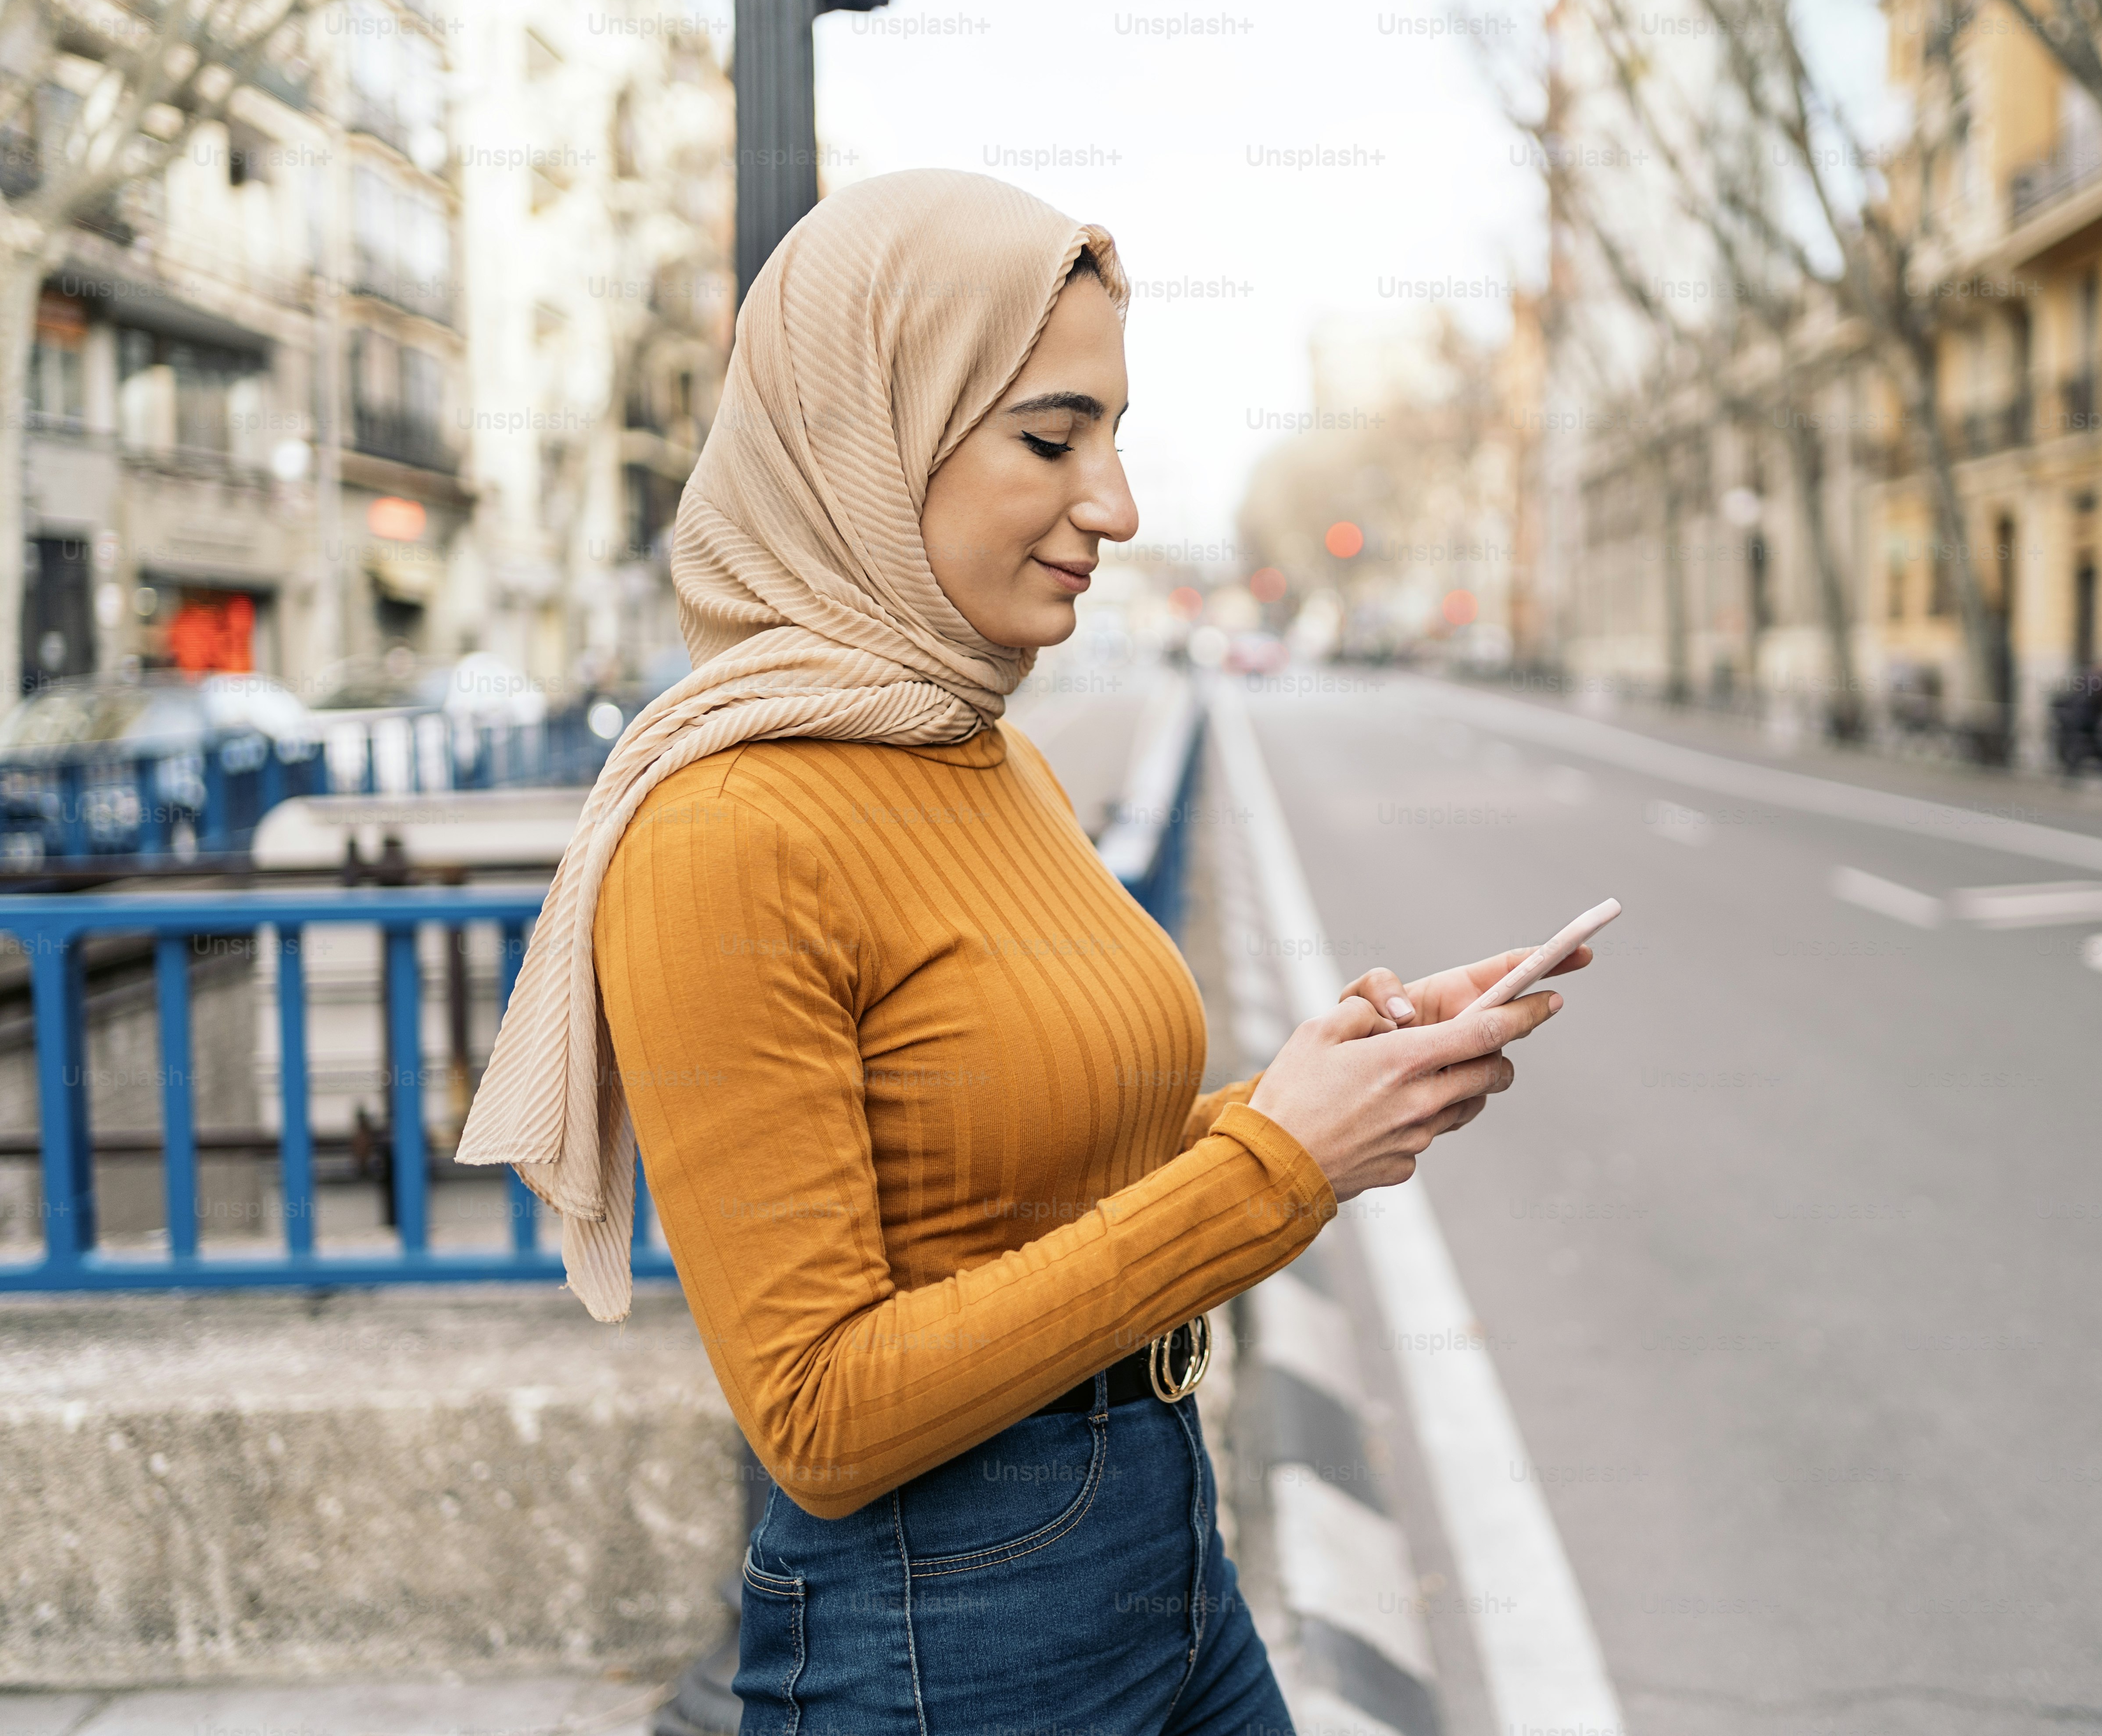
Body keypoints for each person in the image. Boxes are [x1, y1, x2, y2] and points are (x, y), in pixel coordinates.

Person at [454, 169, 1586, 1733]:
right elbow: (820, 1413)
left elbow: (1039, 1182)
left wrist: (1321, 1091)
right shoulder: (726, 825)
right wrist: (1276, 1169)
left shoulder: (990, 751)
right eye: (1053, 440)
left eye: (1114, 439)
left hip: (1166, 1558)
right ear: (873, 438)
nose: (1114, 505)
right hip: (946, 1640)